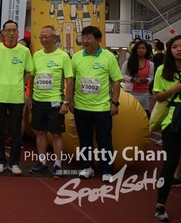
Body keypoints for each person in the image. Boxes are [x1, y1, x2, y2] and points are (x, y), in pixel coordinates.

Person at [65, 25, 123, 182]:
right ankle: (87, 167)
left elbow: (116, 81)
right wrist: (70, 101)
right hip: (81, 106)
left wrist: (115, 103)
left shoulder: (108, 57)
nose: (85, 40)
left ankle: (106, 170)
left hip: (102, 107)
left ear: (98, 40)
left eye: (89, 38)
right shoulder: (76, 57)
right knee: (84, 139)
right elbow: (71, 80)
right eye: (83, 37)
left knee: (104, 140)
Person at [0, 20, 33, 176]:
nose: (11, 33)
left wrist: (20, 84)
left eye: (14, 30)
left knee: (15, 131)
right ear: (3, 33)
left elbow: (29, 71)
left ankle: (14, 163)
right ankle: (0, 161)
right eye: (8, 30)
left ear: (18, 33)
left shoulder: (24, 51)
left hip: (17, 96)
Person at [28, 25, 73, 178]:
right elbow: (33, 77)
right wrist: (30, 98)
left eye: (47, 37)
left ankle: (58, 165)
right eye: (42, 37)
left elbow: (69, 80)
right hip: (38, 100)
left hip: (55, 101)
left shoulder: (63, 56)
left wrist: (66, 102)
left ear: (55, 38)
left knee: (56, 134)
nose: (44, 40)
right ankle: (42, 163)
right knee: (40, 132)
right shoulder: (37, 55)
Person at [153, 35, 181, 222]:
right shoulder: (162, 70)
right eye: (175, 46)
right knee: (170, 164)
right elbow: (158, 96)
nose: (179, 49)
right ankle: (160, 205)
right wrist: (173, 90)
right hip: (172, 120)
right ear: (169, 50)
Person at [121, 41, 154, 113]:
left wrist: (146, 80)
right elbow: (122, 74)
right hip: (130, 92)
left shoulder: (150, 64)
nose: (141, 50)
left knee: (144, 113)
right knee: (131, 113)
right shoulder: (128, 62)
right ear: (135, 50)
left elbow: (151, 77)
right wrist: (132, 79)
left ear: (146, 50)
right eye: (139, 48)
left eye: (143, 48)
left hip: (144, 93)